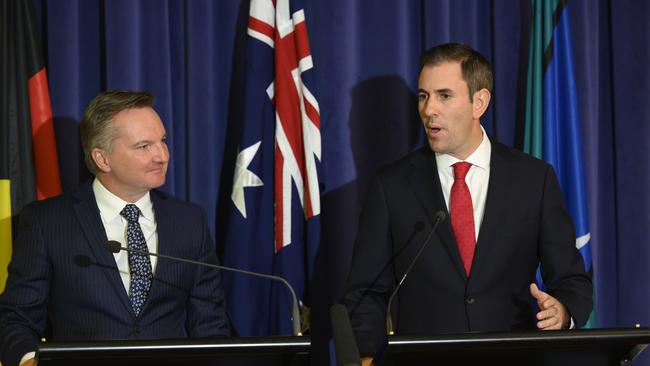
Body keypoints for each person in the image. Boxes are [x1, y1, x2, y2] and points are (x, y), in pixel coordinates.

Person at [342, 43, 593, 363]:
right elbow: (365, 293)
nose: (428, 109)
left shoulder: (533, 179)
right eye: (423, 95)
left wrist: (563, 310)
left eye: (444, 96)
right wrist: (366, 357)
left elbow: (572, 281)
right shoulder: (392, 186)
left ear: (480, 102)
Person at [0, 90, 230, 366]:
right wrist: (27, 361)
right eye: (144, 146)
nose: (162, 155)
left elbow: (210, 325)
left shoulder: (189, 220)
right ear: (102, 159)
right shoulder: (47, 222)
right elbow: (16, 317)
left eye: (163, 141)